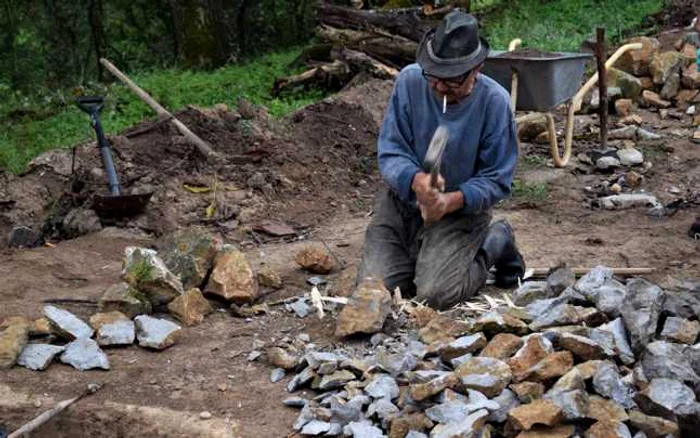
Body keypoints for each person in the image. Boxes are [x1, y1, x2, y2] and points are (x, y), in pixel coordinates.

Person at [356, 10, 525, 310]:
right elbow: (391, 149)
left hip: (459, 212)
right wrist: (415, 181)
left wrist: (451, 201)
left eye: (452, 81)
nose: (440, 87)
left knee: (434, 295)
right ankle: (419, 253)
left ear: (477, 69)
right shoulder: (410, 82)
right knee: (377, 290)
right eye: (434, 77)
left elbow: (497, 179)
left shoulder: (494, 103)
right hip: (402, 205)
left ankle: (495, 242)